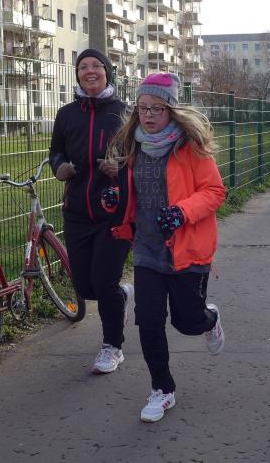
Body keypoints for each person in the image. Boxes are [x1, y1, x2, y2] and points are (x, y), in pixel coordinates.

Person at [109, 72, 226, 423]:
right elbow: (132, 192)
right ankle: (162, 389)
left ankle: (209, 319)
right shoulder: (133, 146)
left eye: (156, 108)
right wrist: (114, 198)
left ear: (171, 110)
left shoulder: (190, 147)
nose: (148, 115)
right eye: (142, 108)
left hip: (187, 249)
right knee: (149, 321)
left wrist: (181, 212)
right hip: (147, 249)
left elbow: (214, 192)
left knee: (188, 322)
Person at [49, 48, 133, 375]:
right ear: (77, 74)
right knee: (85, 287)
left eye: (96, 65)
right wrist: (59, 167)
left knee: (104, 281)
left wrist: (121, 166)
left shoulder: (124, 113)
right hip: (77, 212)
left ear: (107, 72)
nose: (90, 71)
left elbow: (140, 157)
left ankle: (112, 346)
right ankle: (120, 297)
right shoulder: (67, 114)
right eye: (83, 66)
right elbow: (56, 151)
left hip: (114, 211)